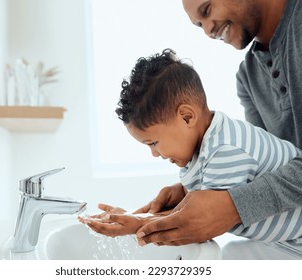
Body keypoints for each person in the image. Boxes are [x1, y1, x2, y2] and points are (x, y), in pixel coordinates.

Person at [80, 49, 302, 244]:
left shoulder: (225, 150)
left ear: (187, 117)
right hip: (284, 240)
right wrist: (134, 214)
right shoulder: (207, 143)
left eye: (154, 143)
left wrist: (135, 223)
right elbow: (191, 209)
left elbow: (199, 221)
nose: (155, 154)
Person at [128, 0, 302, 246]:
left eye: (207, 10)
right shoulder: (248, 77)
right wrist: (192, 190)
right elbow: (268, 167)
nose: (209, 31)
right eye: (199, 25)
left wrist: (233, 206)